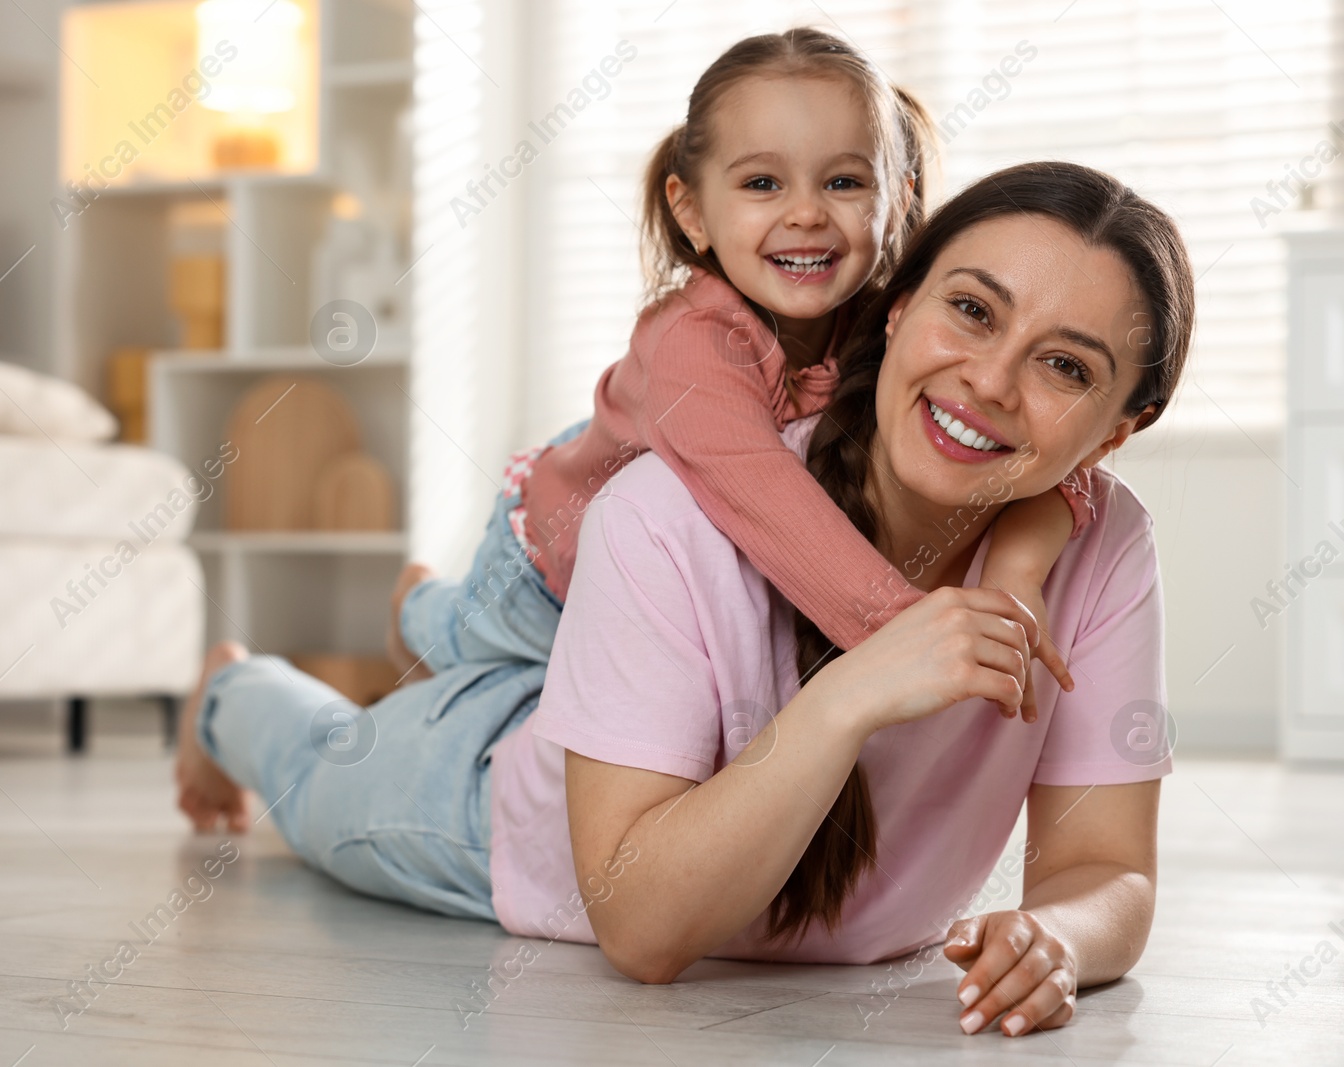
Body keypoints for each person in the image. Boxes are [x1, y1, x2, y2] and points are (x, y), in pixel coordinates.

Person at [174, 159, 1194, 1039]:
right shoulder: (669, 506)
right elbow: (642, 929)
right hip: (487, 811)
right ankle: (230, 688)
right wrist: (851, 692)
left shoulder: (1100, 540)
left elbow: (1107, 866)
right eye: (970, 308)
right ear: (898, 305)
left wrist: (1056, 932)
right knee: (309, 770)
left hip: (620, 712)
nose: (990, 379)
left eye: (1064, 365)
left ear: (1113, 430)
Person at [386, 28, 1089, 722]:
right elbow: (770, 503)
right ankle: (410, 606)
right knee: (454, 644)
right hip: (542, 572)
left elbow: (1059, 450)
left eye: (844, 181)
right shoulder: (690, 344)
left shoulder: (894, 320)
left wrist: (1016, 569)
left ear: (899, 199)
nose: (807, 213)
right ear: (691, 210)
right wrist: (914, 637)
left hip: (665, 593)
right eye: (762, 183)